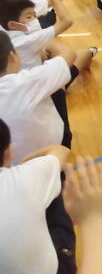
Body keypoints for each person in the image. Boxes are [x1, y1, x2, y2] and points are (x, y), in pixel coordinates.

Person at [0, 117, 73, 274]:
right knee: (54, 187)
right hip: (55, 270)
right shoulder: (24, 179)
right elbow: (61, 150)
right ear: (9, 153)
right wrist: (26, 166)